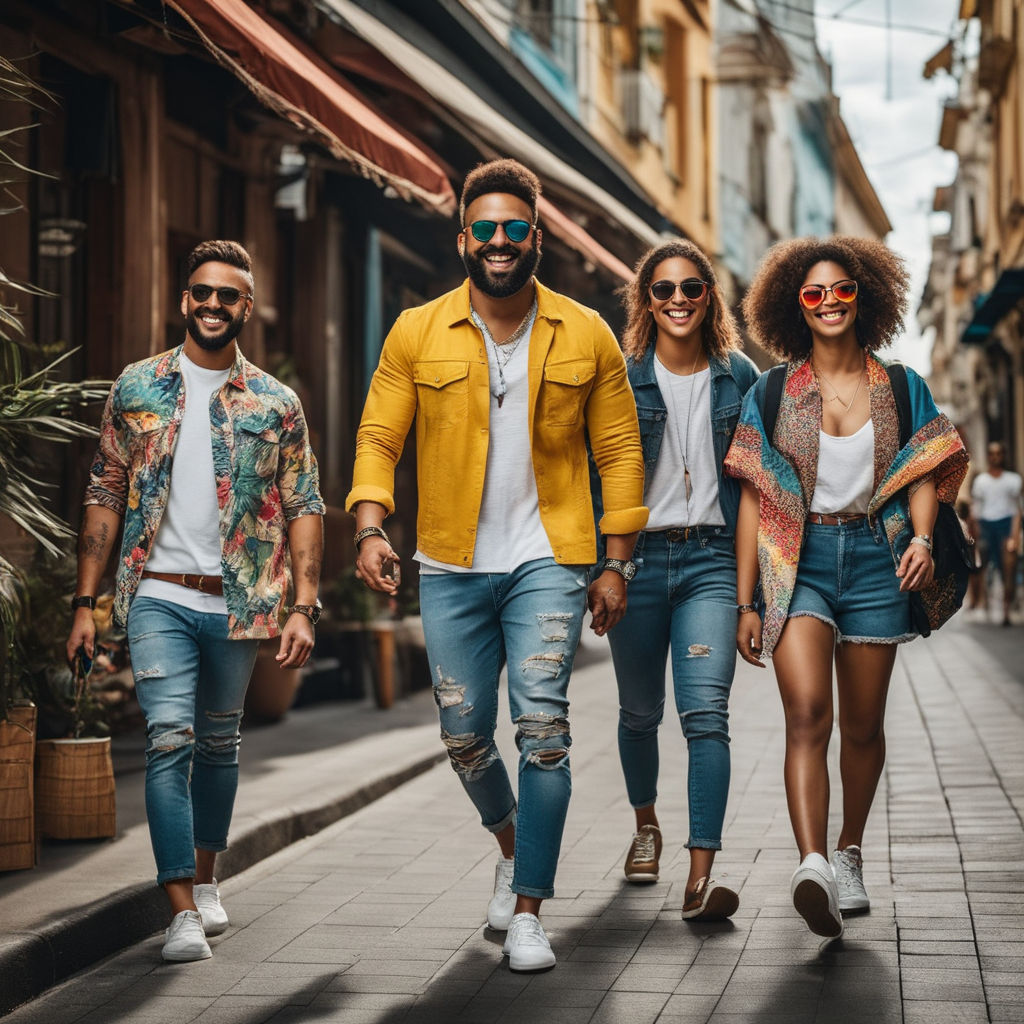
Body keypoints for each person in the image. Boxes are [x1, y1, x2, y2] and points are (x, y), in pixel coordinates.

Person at [347, 159, 647, 972]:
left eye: (516, 229)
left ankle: (528, 911)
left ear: (537, 238)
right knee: (463, 734)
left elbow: (619, 450)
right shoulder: (417, 329)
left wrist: (616, 561)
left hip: (551, 557)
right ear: (464, 240)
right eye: (487, 229)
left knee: (544, 728)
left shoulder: (586, 331)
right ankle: (512, 844)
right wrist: (372, 524)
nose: (501, 242)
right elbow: (379, 437)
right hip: (449, 560)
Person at [66, 240, 325, 963]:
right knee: (168, 738)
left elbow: (304, 501)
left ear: (248, 307)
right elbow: (105, 492)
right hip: (157, 597)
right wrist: (85, 602)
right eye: (201, 293)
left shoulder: (277, 402)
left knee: (218, 745)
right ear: (185, 300)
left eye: (229, 296)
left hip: (239, 607)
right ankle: (179, 904)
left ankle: (208, 878)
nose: (213, 305)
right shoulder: (137, 388)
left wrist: (304, 604)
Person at [724, 236, 967, 938]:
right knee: (808, 713)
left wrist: (921, 539)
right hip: (794, 561)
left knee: (862, 726)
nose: (828, 303)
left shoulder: (900, 385)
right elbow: (752, 500)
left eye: (841, 291)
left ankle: (849, 851)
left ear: (864, 296)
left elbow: (924, 467)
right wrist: (746, 601)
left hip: (873, 557)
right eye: (813, 294)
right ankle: (812, 864)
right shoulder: (772, 390)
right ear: (794, 307)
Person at [598, 239, 757, 920]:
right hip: (636, 563)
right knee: (639, 713)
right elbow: (592, 472)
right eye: (663, 290)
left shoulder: (740, 376)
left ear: (710, 296)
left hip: (712, 563)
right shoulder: (621, 376)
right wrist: (602, 567)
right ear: (646, 301)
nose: (678, 301)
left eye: (692, 288)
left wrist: (753, 596)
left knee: (705, 716)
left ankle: (699, 877)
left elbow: (758, 485)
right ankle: (645, 827)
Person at [970, 441, 1022, 626]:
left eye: (999, 453)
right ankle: (984, 605)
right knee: (981, 569)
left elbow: (1017, 511)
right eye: (992, 453)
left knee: (1008, 569)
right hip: (986, 527)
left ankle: (1006, 611)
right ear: (988, 456)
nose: (995, 457)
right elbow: (975, 512)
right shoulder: (981, 481)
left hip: (1006, 527)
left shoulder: (1013, 480)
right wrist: (974, 536)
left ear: (1004, 455)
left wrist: (1014, 537)